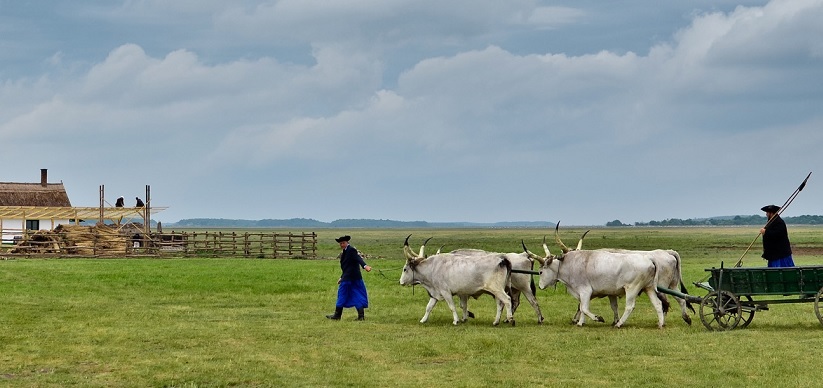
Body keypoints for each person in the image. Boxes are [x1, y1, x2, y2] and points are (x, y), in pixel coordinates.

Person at [326, 235, 372, 321]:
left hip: (352, 278)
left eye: (343, 243)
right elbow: (347, 266)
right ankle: (359, 316)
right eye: (340, 243)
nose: (342, 245)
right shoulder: (344, 252)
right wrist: (342, 277)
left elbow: (358, 258)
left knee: (345, 294)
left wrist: (365, 266)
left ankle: (338, 315)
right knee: (355, 295)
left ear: (347, 243)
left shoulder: (351, 250)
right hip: (349, 277)